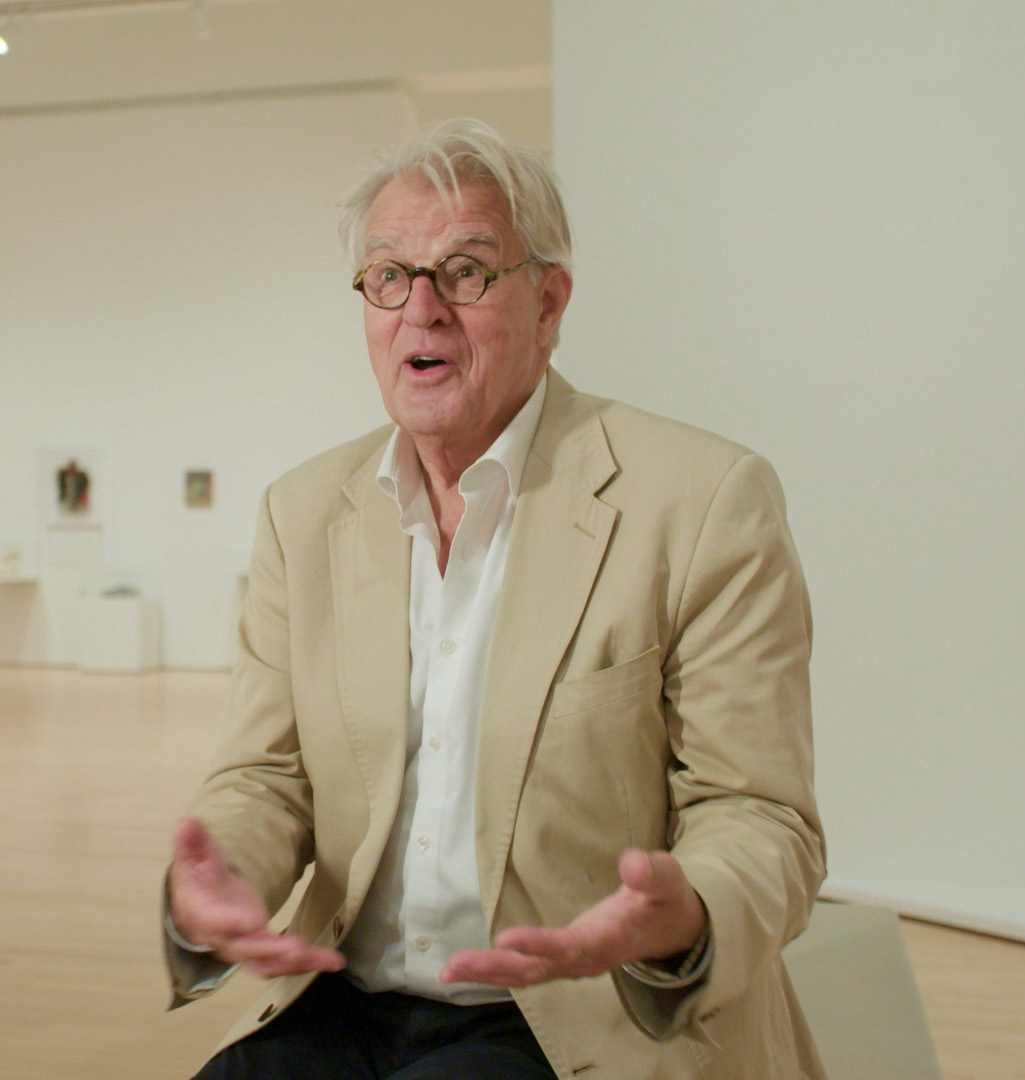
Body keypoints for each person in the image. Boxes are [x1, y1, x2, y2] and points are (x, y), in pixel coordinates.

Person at [162, 119, 826, 1079]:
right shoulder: (302, 513)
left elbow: (763, 816)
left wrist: (685, 909)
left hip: (578, 1012)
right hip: (341, 996)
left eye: (465, 272)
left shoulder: (702, 500)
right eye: (389, 276)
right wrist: (222, 873)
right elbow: (264, 777)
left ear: (549, 302)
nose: (420, 310)